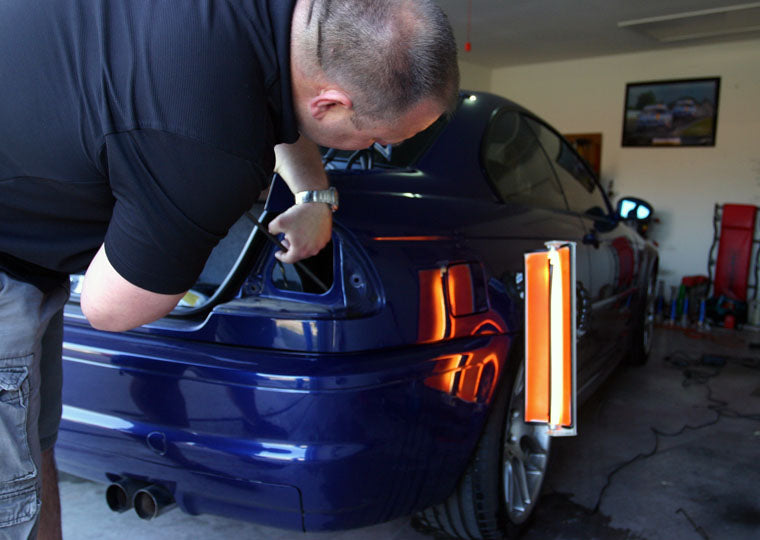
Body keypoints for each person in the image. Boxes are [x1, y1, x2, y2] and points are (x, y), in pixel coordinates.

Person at [0, 0, 459, 537]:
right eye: (378, 138)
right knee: (9, 498)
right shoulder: (213, 149)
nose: (379, 148)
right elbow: (108, 307)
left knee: (30, 448)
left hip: (27, 250)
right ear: (330, 104)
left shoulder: (273, 27)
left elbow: (273, 96)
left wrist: (314, 194)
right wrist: (167, 209)